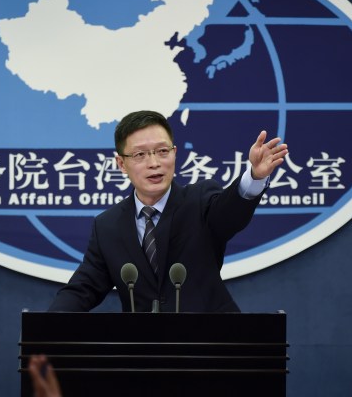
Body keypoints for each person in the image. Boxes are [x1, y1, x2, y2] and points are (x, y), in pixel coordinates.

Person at [48, 110, 288, 313]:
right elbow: (84, 288)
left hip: (213, 350)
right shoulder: (108, 226)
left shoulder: (200, 200)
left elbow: (230, 214)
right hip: (146, 358)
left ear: (174, 153)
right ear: (121, 164)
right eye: (140, 155)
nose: (154, 163)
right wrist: (44, 328)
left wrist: (255, 177)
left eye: (162, 151)